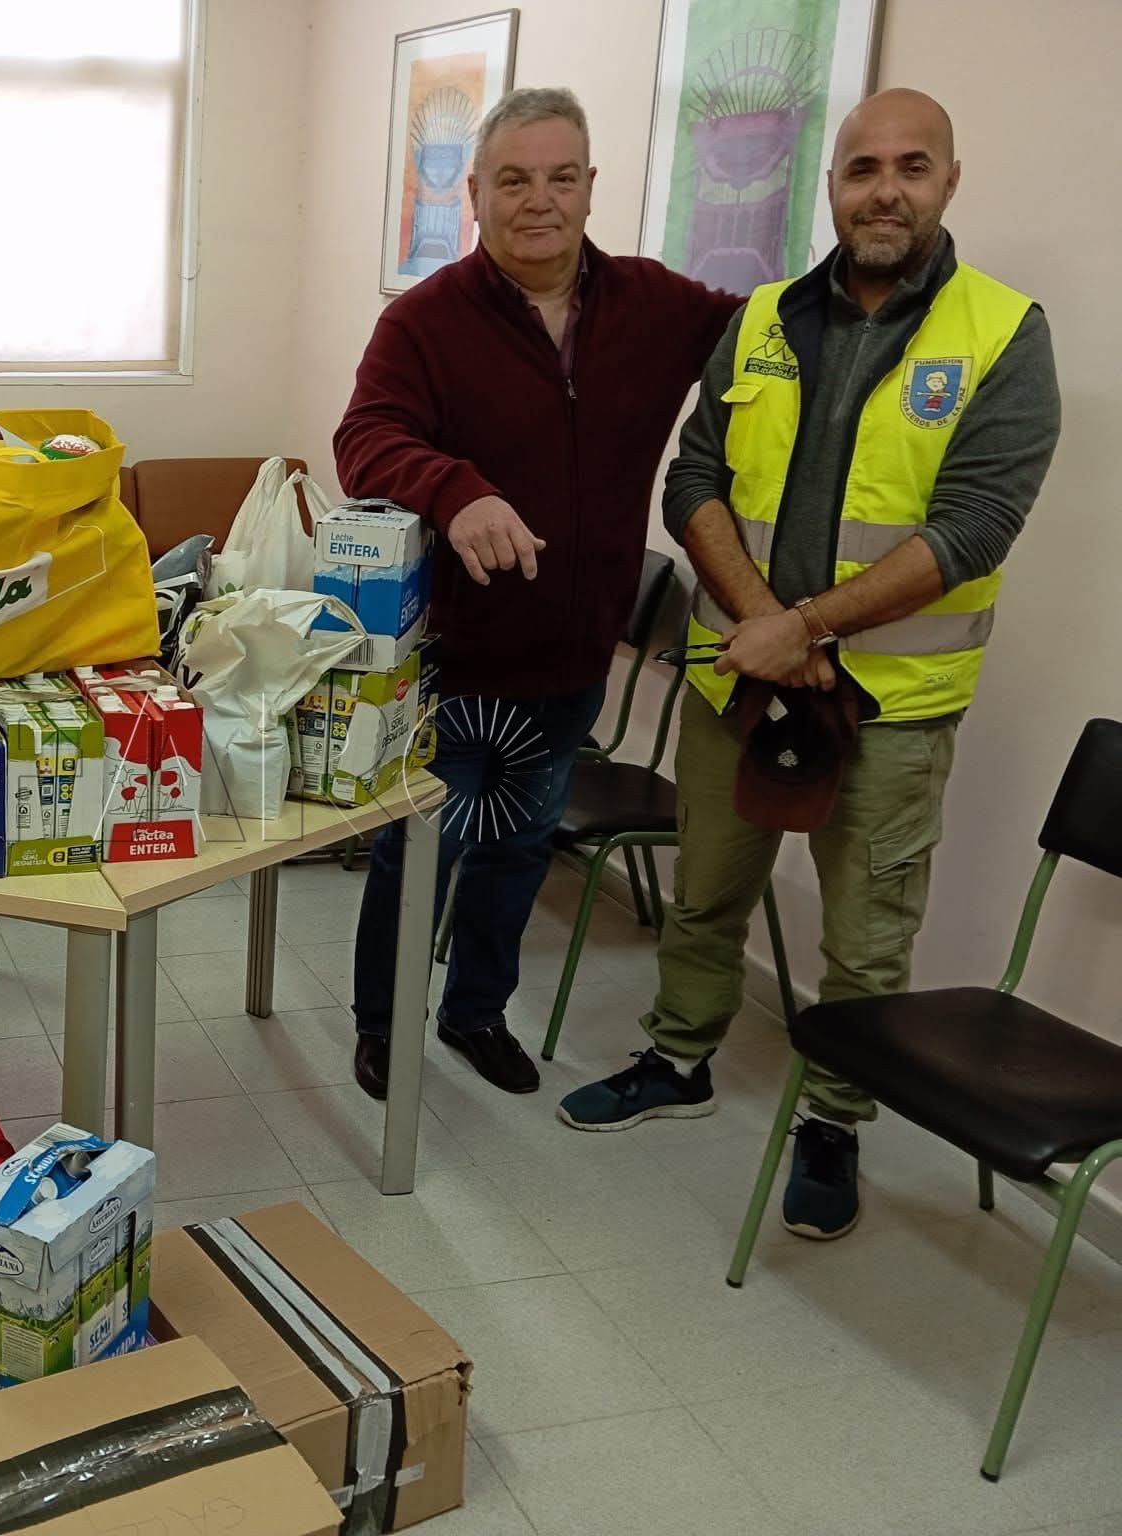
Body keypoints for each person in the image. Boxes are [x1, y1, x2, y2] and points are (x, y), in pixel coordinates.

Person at [556, 90, 1061, 1242]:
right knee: (704, 893)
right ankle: (679, 1057)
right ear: (832, 183)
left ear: (950, 180)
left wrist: (811, 627)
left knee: (865, 940)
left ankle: (834, 1120)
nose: (886, 188)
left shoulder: (1000, 333)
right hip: (740, 674)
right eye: (862, 167)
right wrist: (764, 621)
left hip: (889, 705)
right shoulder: (767, 318)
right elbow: (695, 477)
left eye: (913, 166)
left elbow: (974, 525)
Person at [336, 87, 740, 1099]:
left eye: (562, 177)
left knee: (519, 848)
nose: (539, 200)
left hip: (573, 653)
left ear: (592, 187)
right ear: (474, 193)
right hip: (456, 655)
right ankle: (383, 1024)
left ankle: (476, 1012)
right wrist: (454, 488)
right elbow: (365, 442)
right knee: (416, 849)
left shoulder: (657, 305)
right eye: (513, 180)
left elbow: (770, 335)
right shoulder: (424, 320)